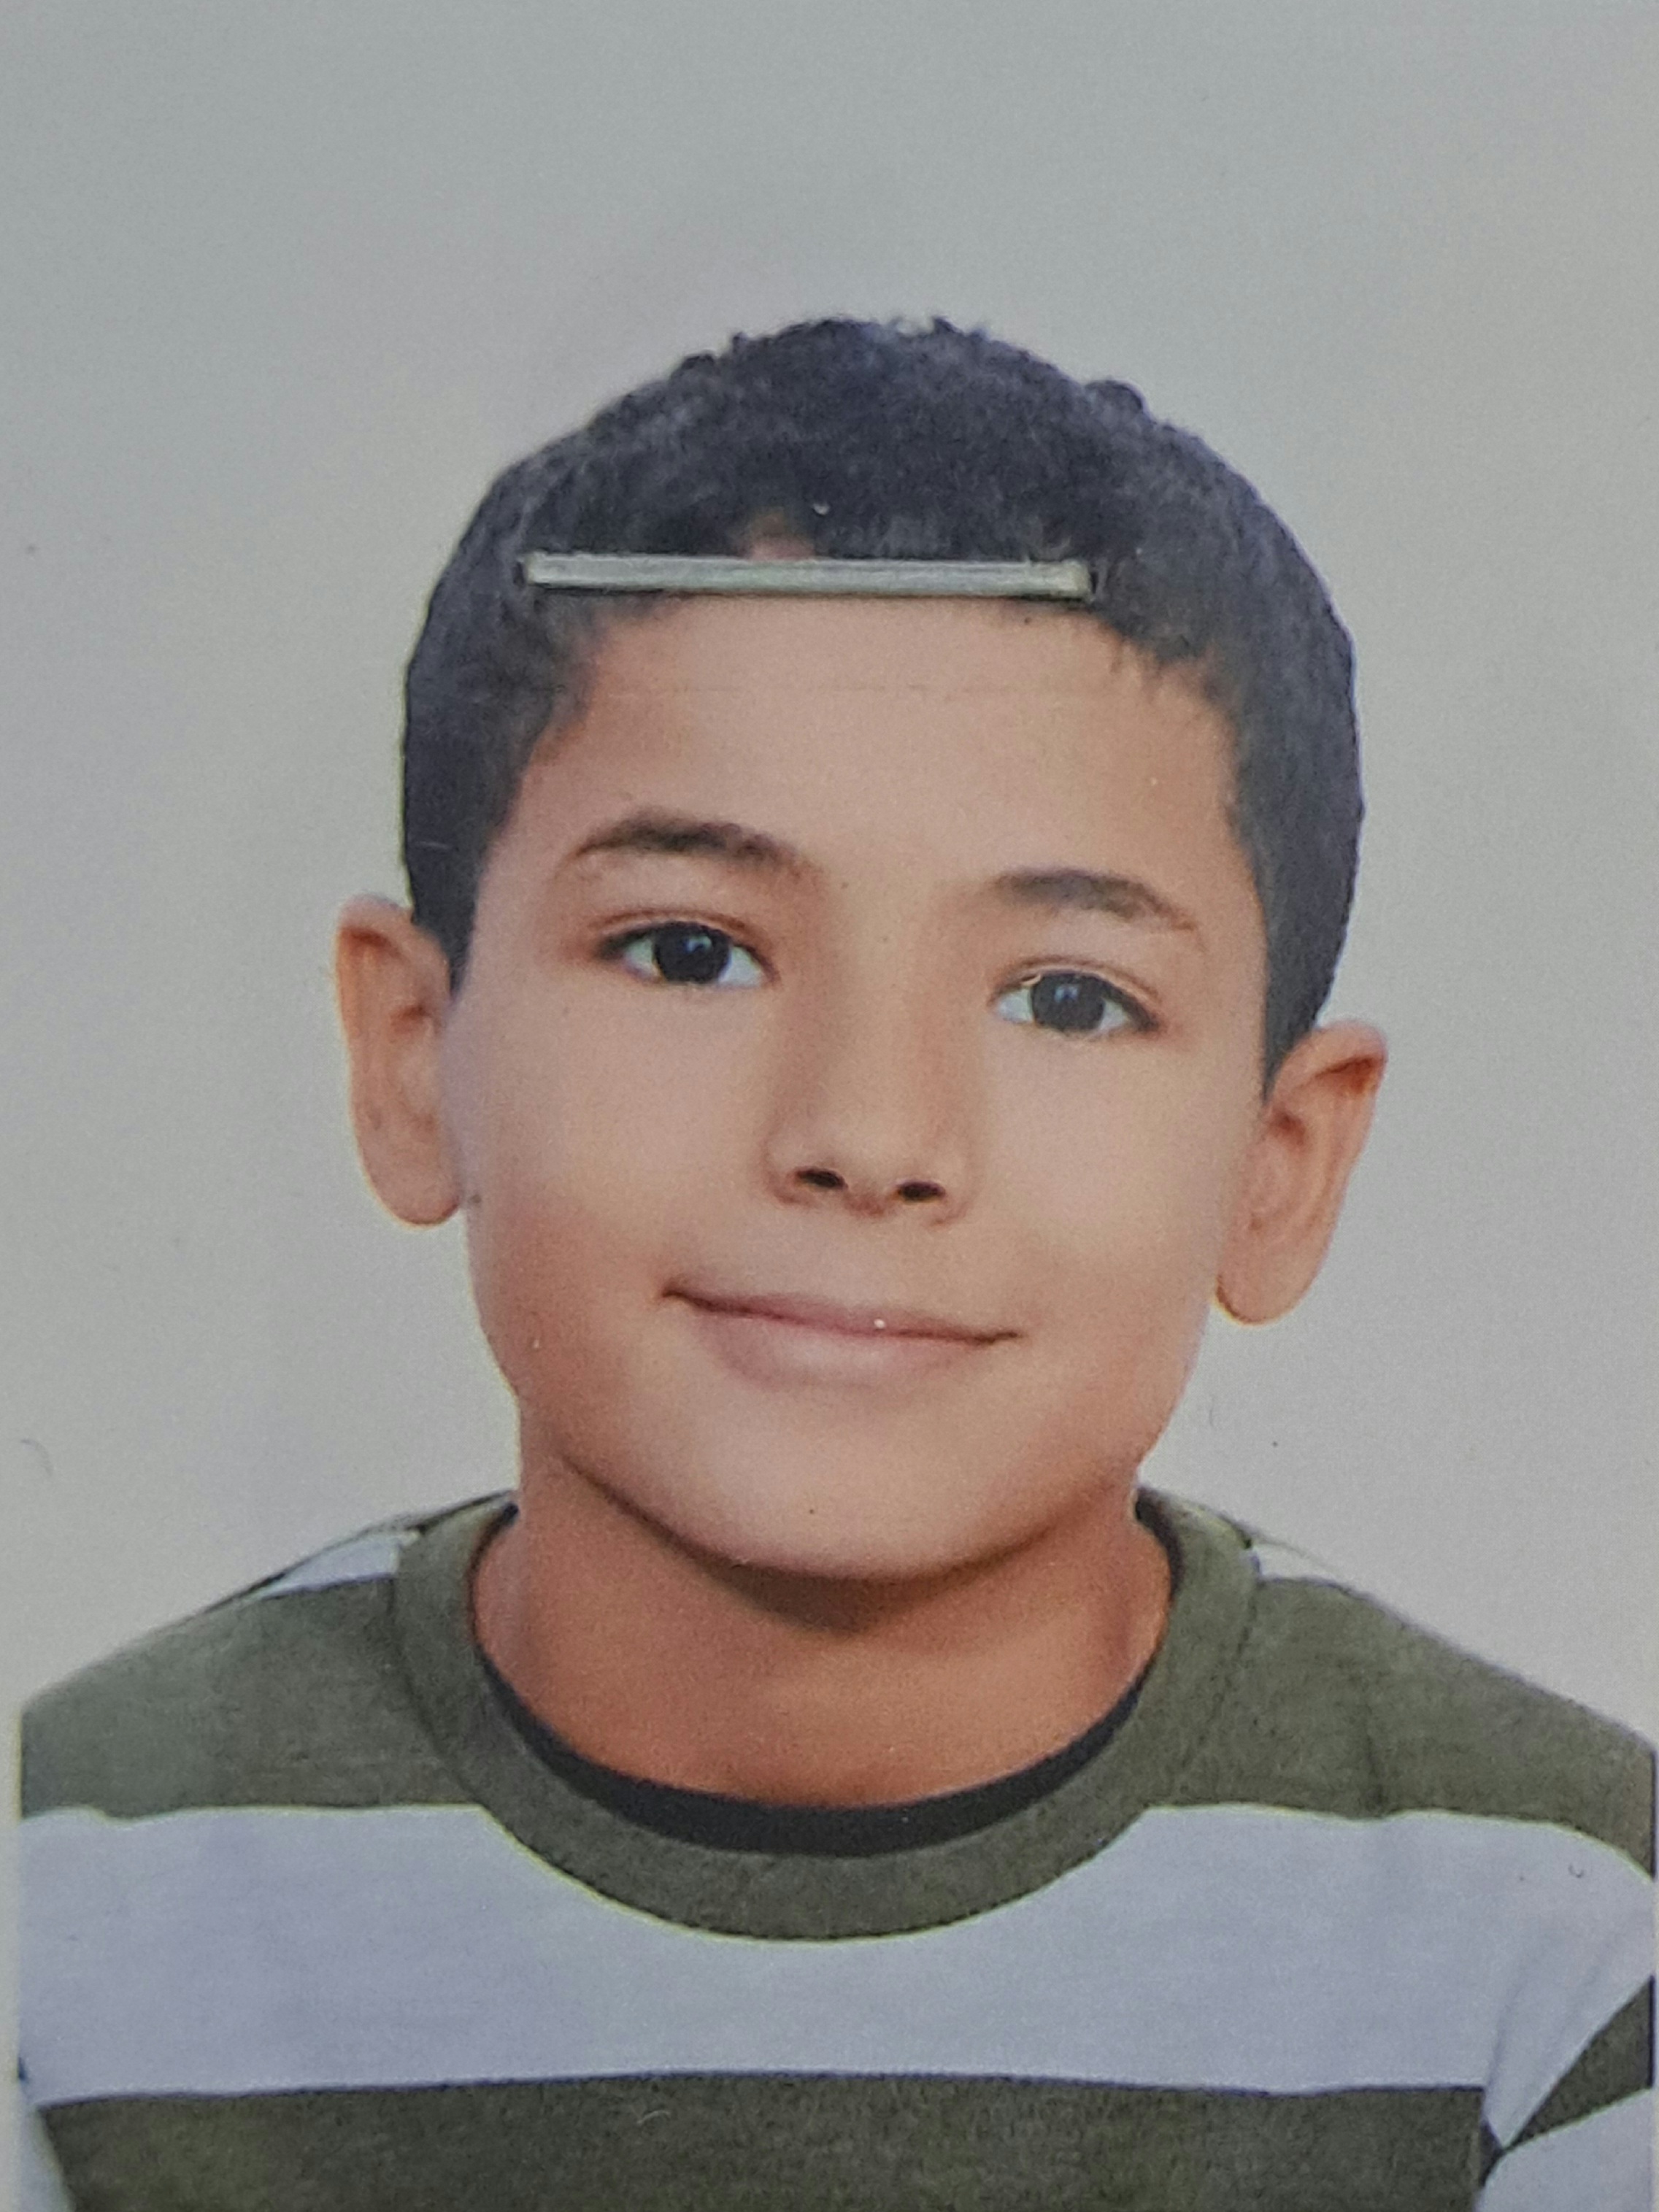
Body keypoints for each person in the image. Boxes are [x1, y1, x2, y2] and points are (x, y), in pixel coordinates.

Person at [20, 320, 1652, 2211]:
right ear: (410, 1055)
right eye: (690, 952)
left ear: (1280, 1166)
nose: (869, 1133)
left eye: (1067, 997)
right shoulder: (61, 1925)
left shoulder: (1567, 1963)